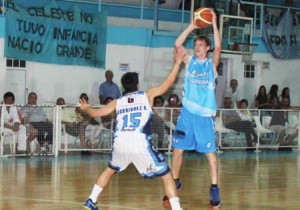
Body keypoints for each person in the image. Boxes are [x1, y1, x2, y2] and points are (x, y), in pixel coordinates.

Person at [79, 46, 185, 210]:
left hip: (120, 142)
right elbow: (168, 83)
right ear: (137, 84)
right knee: (166, 174)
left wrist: (85, 108)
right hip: (139, 142)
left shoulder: (117, 101)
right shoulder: (147, 96)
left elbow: (95, 113)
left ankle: (91, 200)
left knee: (110, 169)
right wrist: (178, 63)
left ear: (123, 87)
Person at [165, 9, 222, 208]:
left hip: (204, 116)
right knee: (177, 150)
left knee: (210, 155)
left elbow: (219, 46)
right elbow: (177, 44)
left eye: (200, 45)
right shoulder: (189, 62)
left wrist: (213, 23)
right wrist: (192, 25)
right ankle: (176, 182)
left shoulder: (211, 65)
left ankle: (214, 188)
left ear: (206, 48)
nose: (197, 47)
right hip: (187, 114)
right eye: (196, 44)